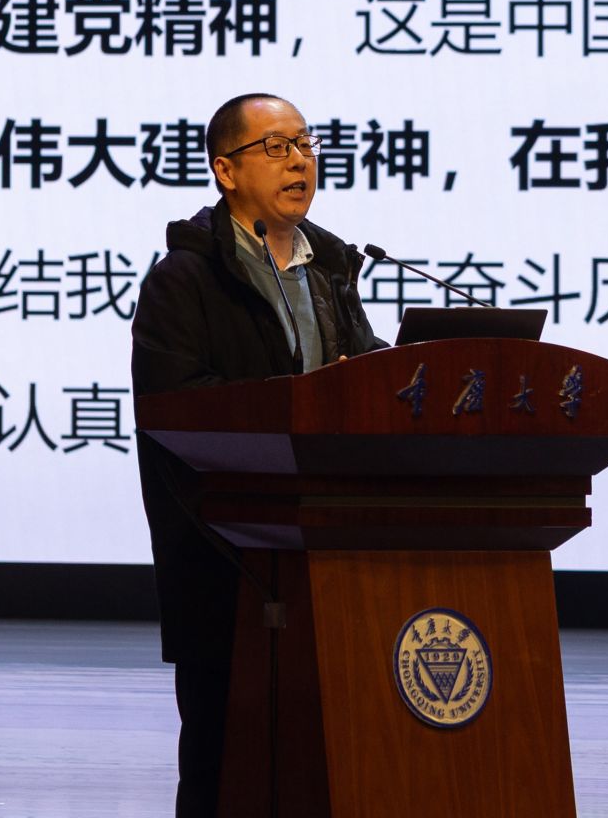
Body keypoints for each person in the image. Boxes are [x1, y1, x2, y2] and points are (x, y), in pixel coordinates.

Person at [130, 92, 386, 817]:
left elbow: (361, 377)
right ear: (227, 171)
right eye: (276, 147)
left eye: (305, 144)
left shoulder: (330, 270)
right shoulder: (185, 280)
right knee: (225, 764)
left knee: (328, 762)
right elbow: (175, 405)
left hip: (332, 557)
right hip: (227, 558)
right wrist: (291, 406)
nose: (299, 160)